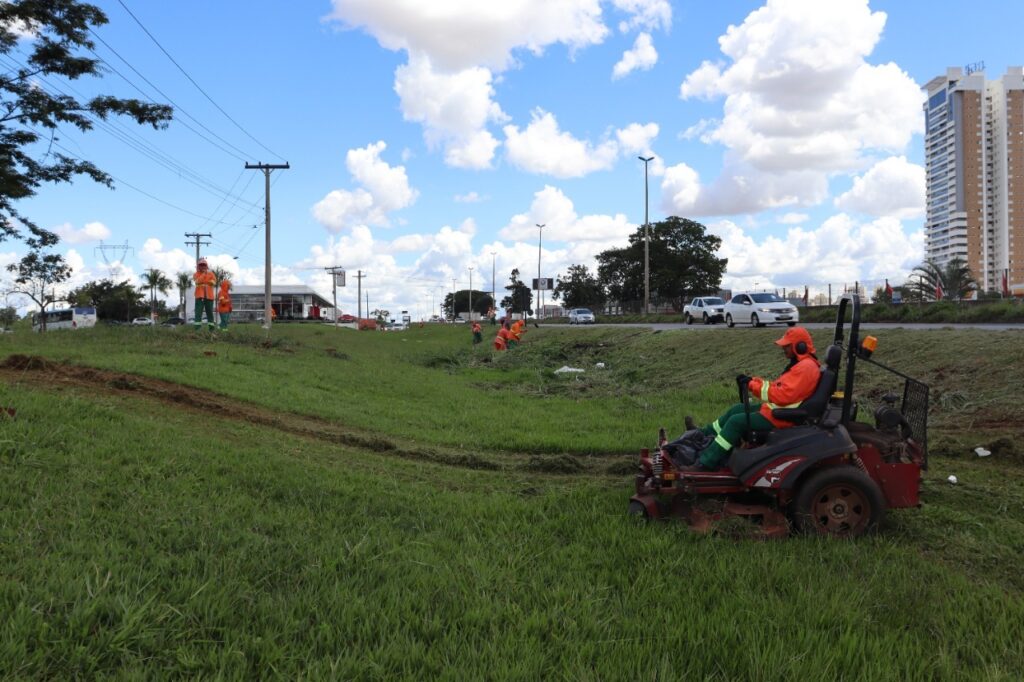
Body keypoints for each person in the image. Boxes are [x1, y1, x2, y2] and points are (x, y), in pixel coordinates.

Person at [681, 326, 821, 471]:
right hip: (777, 411)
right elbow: (778, 386)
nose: (783, 348)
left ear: (800, 346)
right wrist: (751, 380)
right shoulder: (802, 365)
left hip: (781, 417)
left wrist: (752, 386)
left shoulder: (805, 368)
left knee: (736, 422)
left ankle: (704, 463)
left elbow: (782, 395)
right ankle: (701, 434)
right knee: (737, 409)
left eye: (787, 345)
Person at [192, 258, 216, 330]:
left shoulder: (211, 274)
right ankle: (197, 329)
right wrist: (204, 275)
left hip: (209, 297)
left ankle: (211, 330)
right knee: (198, 313)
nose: (202, 267)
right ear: (198, 266)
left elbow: (213, 282)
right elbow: (197, 281)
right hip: (199, 296)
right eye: (201, 265)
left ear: (206, 266)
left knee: (210, 313)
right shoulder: (196, 274)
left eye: (204, 265)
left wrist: (204, 280)